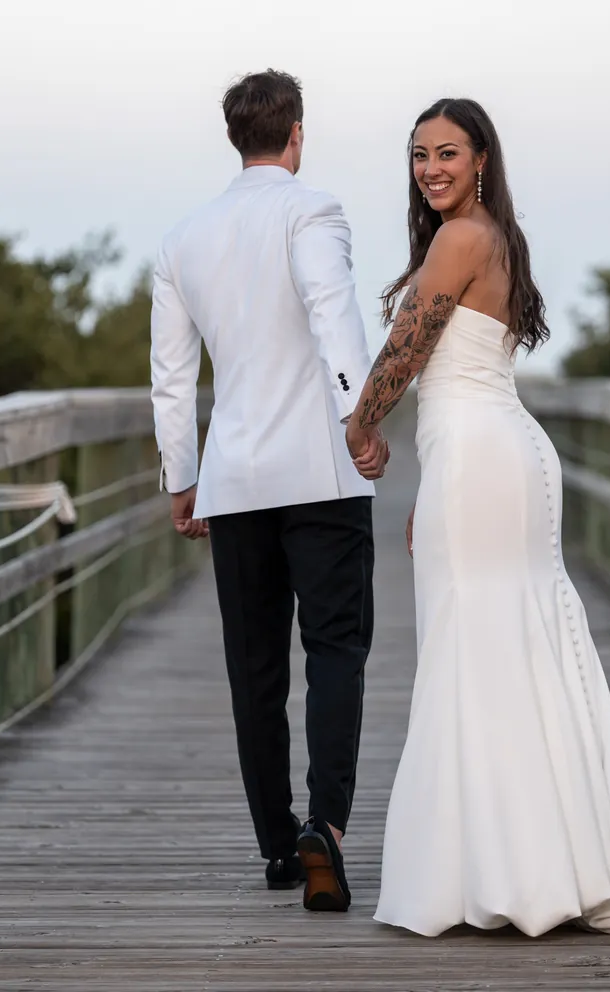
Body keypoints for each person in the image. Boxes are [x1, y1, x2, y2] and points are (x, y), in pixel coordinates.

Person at [345, 97, 610, 937]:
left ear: (481, 157)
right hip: (488, 456)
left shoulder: (461, 237)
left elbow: (408, 355)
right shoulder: (495, 236)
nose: (431, 168)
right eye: (419, 156)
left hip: (484, 457)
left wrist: (360, 422)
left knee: (477, 648)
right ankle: (539, 863)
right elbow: (459, 376)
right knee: (510, 647)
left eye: (447, 152)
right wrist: (431, 487)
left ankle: (506, 871)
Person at [151, 69, 388, 913]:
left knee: (253, 669)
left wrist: (183, 476)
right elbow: (334, 311)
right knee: (335, 653)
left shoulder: (184, 238)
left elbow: (172, 378)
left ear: (235, 137)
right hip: (321, 473)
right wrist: (362, 418)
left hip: (235, 478)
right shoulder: (312, 209)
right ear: (295, 134)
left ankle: (276, 846)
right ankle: (325, 827)